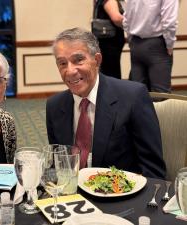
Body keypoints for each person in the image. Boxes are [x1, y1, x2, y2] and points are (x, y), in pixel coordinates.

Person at [46, 27, 166, 179]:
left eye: (78, 60)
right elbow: (57, 166)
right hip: (71, 196)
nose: (70, 71)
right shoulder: (54, 106)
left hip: (122, 195)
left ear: (97, 60)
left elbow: (153, 170)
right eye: (62, 63)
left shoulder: (132, 97)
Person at [123, 0, 179, 93]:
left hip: (136, 44)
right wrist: (169, 44)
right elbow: (169, 22)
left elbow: (126, 18)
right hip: (157, 45)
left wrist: (130, 39)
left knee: (137, 94)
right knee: (161, 96)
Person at [94, 0, 125, 79]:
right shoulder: (109, 0)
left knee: (107, 72)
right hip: (110, 43)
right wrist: (134, 25)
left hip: (106, 42)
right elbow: (116, 18)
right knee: (111, 73)